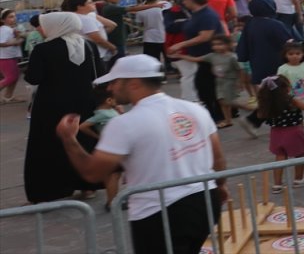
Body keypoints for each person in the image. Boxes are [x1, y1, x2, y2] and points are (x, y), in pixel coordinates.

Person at [57, 55, 226, 254]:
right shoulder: (194, 109)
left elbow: (92, 173)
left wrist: (69, 139)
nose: (110, 88)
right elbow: (218, 160)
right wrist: (220, 187)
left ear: (134, 83)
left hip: (159, 213)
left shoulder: (124, 124)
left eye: (114, 82)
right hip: (204, 202)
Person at [23, 12, 107, 203]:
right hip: (85, 102)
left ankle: (54, 189)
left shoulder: (43, 49)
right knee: (84, 141)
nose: (42, 29)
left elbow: (33, 77)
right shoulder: (89, 45)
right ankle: (88, 186)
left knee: (51, 144)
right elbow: (100, 74)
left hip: (52, 105)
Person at [169, 35, 255, 134]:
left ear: (228, 45)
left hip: (229, 82)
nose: (216, 47)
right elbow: (196, 59)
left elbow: (240, 70)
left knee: (227, 101)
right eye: (214, 44)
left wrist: (240, 82)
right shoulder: (212, 56)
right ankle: (228, 120)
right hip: (219, 82)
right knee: (222, 101)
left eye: (220, 44)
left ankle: (249, 108)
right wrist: (180, 56)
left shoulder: (232, 57)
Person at [169, 0, 227, 123]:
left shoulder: (207, 15)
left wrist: (180, 45)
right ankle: (215, 113)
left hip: (210, 57)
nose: (183, 2)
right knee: (204, 87)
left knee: (208, 87)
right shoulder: (196, 14)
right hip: (202, 57)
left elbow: (205, 36)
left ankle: (218, 115)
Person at [255, 74, 304, 192]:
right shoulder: (291, 100)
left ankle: (277, 185)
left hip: (276, 133)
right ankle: (298, 179)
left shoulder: (268, 103)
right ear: (286, 88)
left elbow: (259, 115)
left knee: (280, 156)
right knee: (300, 154)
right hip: (293, 131)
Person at [77, 86, 123, 204]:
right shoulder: (103, 114)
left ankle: (112, 200)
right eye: (114, 99)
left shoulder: (109, 111)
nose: (116, 101)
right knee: (114, 175)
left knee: (113, 175)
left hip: (114, 146)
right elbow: (83, 126)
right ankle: (113, 202)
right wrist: (97, 136)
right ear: (108, 101)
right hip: (112, 147)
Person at [0, 8, 22, 102]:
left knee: (15, 77)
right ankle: (7, 97)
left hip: (11, 56)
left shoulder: (11, 29)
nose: (14, 18)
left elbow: (17, 41)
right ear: (3, 20)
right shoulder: (4, 29)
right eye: (10, 17)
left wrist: (19, 38)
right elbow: (1, 43)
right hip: (5, 57)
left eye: (14, 16)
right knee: (10, 77)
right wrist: (14, 42)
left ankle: (8, 97)